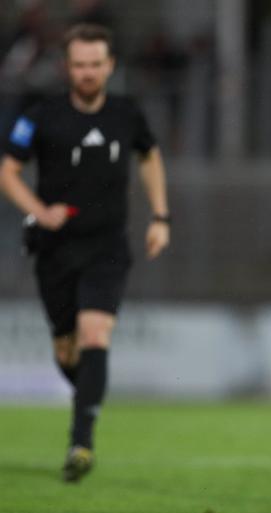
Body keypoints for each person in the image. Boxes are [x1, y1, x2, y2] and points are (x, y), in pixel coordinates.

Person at [0, 23, 170, 482]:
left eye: (96, 64)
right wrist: (40, 210)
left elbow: (149, 156)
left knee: (95, 334)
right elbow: (8, 171)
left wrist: (160, 217)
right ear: (67, 68)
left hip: (107, 246)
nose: (89, 72)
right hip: (54, 248)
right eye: (80, 65)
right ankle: (89, 394)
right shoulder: (40, 116)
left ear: (109, 66)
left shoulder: (126, 114)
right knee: (67, 348)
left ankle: (81, 442)